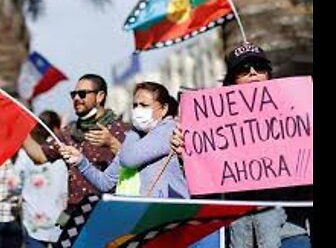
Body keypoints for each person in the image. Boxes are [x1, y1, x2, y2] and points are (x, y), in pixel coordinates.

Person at [171, 42, 312, 248]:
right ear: (231, 81)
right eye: (244, 70)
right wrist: (188, 156)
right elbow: (205, 190)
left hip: (289, 233)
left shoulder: (296, 116)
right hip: (240, 236)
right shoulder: (213, 127)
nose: (253, 73)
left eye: (260, 67)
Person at [60, 81, 189, 198]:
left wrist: (133, 131)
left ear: (164, 109)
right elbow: (105, 182)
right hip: (145, 214)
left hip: (172, 212)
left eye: (144, 105)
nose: (138, 111)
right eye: (135, 105)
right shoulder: (137, 139)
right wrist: (81, 161)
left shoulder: (169, 130)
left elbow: (129, 159)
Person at [23, 74, 128, 211]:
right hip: (75, 213)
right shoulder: (68, 133)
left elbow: (136, 168)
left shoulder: (121, 131)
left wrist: (112, 143)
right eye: (74, 94)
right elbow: (40, 156)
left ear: (100, 96)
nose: (76, 98)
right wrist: (21, 127)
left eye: (82, 94)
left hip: (108, 212)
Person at [13, 110, 68, 248]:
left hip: (33, 222)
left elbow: (14, 185)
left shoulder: (26, 153)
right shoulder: (66, 150)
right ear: (56, 128)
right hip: (62, 220)